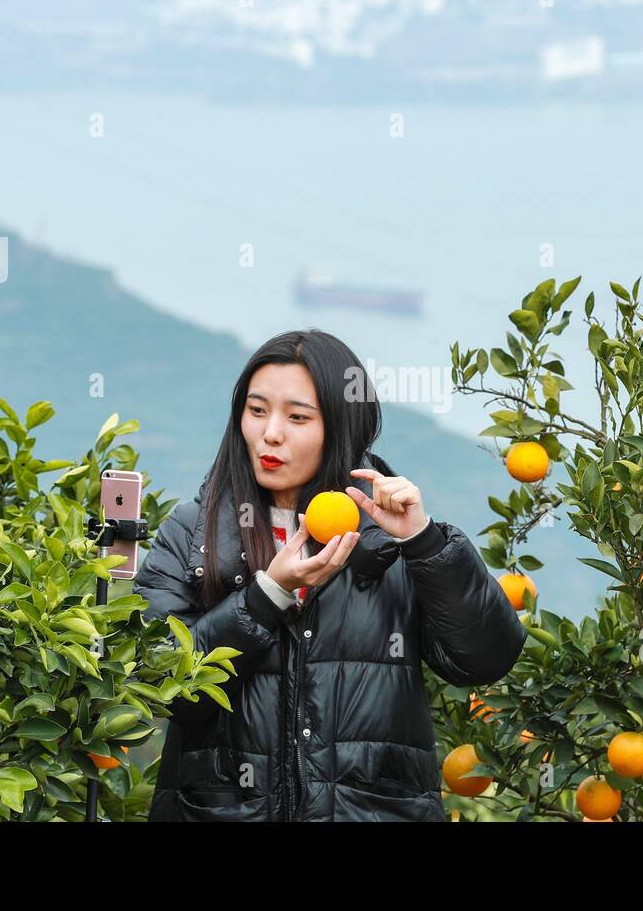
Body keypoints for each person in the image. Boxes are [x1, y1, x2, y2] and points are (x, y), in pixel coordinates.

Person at [134, 329, 526, 821]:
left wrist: (423, 541)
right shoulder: (194, 534)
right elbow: (158, 683)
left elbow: (485, 659)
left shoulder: (389, 539)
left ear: (341, 427)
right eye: (257, 411)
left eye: (297, 417)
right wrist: (266, 596)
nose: (270, 433)